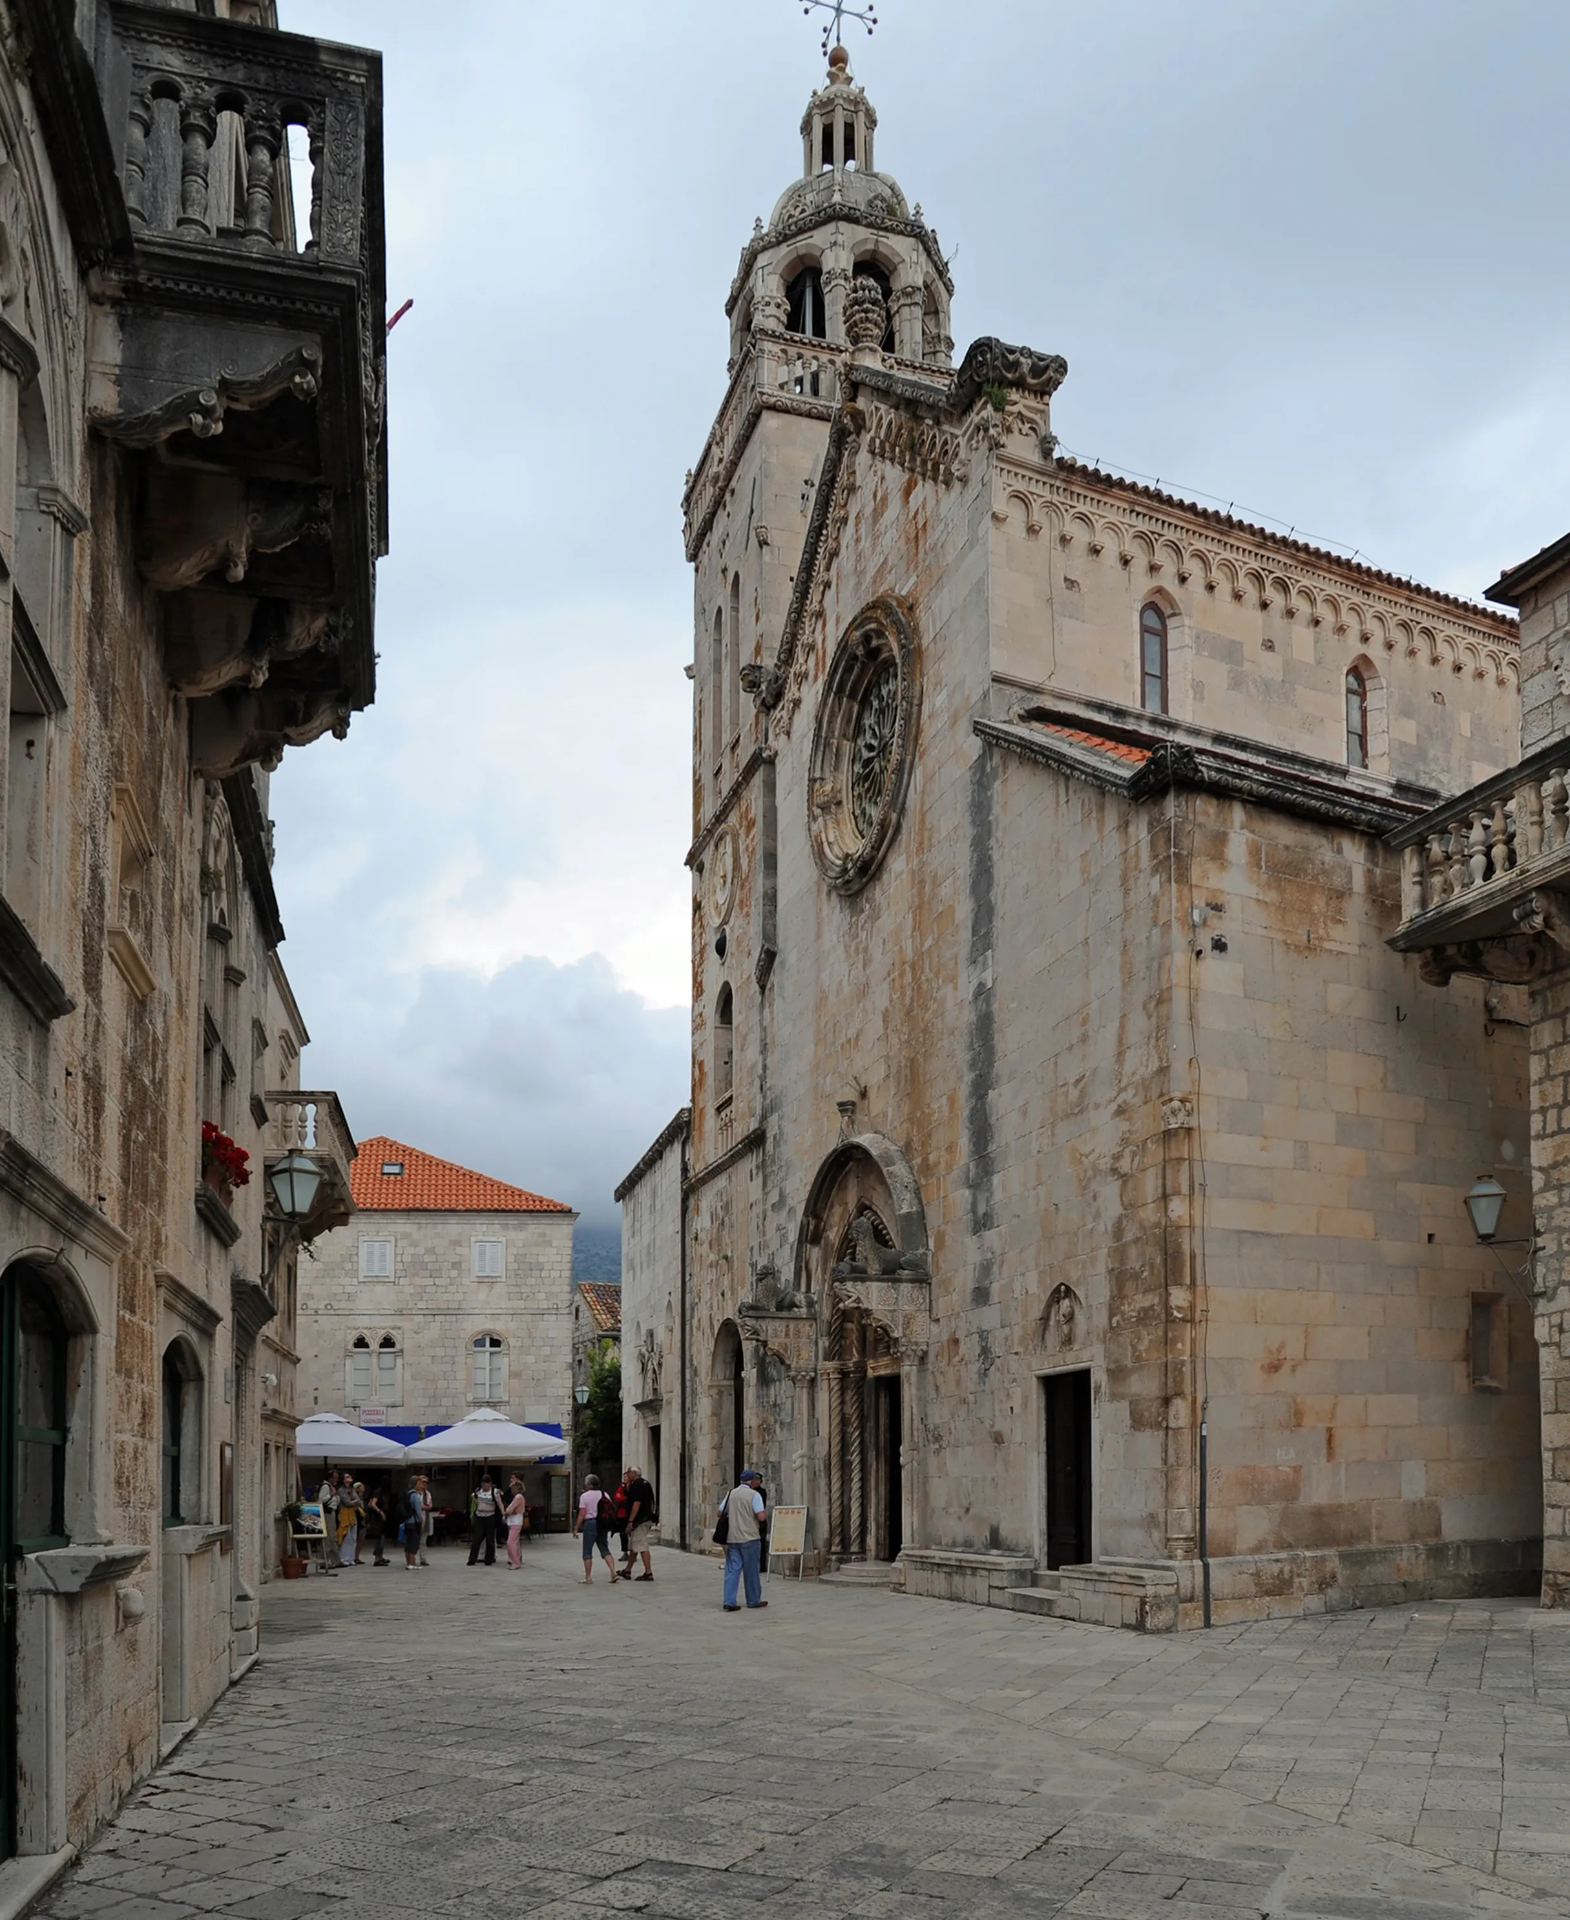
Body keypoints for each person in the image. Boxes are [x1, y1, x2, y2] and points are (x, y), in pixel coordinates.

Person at [719, 1468, 768, 1612]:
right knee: (751, 1570)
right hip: (750, 1537)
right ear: (752, 1481)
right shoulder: (754, 1495)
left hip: (733, 1537)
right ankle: (753, 1600)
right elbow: (761, 1516)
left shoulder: (731, 1494)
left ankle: (729, 1600)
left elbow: (719, 1512)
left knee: (732, 1570)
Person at [572, 1475, 619, 1584]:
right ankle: (613, 1572)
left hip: (590, 1523)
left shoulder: (584, 1496)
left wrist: (576, 1527)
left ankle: (588, 1577)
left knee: (587, 1550)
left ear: (588, 1484)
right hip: (602, 1523)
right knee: (604, 1548)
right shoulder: (604, 1494)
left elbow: (582, 1513)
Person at [621, 1466, 657, 1582]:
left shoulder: (637, 1485)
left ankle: (648, 1572)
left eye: (628, 1472)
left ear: (634, 1473)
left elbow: (636, 1503)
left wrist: (631, 1520)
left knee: (641, 1545)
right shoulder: (646, 1484)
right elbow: (652, 1502)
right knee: (634, 1545)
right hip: (647, 1518)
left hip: (640, 1520)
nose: (627, 1475)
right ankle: (627, 1570)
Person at [468, 1473, 501, 1566]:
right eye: (483, 1484)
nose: (485, 1486)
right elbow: (474, 1501)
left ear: (490, 1483)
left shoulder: (494, 1492)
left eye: (487, 1484)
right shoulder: (478, 1491)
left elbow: (499, 1503)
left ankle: (489, 1559)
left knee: (490, 1539)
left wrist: (503, 1513)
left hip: (490, 1516)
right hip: (480, 1516)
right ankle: (472, 1559)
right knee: (476, 1539)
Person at [503, 1475, 527, 1569]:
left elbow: (510, 1509)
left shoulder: (518, 1497)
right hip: (515, 1521)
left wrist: (506, 1512)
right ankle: (515, 1560)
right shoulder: (519, 1497)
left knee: (511, 1542)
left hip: (515, 1522)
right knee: (515, 1542)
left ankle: (515, 1562)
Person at [336, 1479, 360, 1568]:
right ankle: (343, 1558)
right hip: (344, 1514)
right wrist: (353, 1501)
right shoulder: (341, 1490)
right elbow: (347, 1502)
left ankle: (351, 1558)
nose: (349, 1478)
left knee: (353, 1538)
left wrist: (353, 1501)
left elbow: (358, 1500)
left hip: (352, 1515)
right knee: (346, 1536)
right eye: (347, 1476)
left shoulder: (352, 1489)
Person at [364, 1484, 390, 1566]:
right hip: (378, 1519)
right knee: (380, 1538)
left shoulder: (380, 1492)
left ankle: (380, 1557)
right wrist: (380, 1512)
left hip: (380, 1518)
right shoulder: (379, 1492)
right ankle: (377, 1559)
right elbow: (372, 1504)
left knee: (381, 1538)